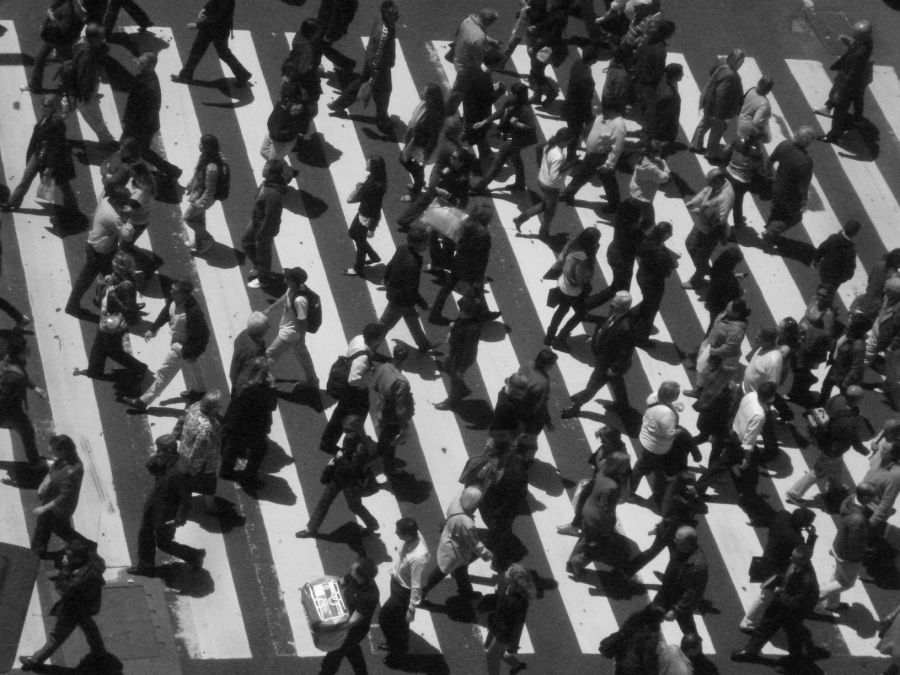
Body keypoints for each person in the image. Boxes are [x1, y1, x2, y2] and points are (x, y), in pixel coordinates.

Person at [732, 545, 830, 667]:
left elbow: (799, 601)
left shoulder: (807, 581)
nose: (790, 559)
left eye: (793, 558)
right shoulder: (798, 565)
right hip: (780, 604)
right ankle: (750, 652)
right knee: (765, 627)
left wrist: (780, 593)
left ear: (803, 561)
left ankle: (797, 661)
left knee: (794, 636)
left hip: (794, 611)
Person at [18, 540, 107, 671]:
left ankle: (35, 661)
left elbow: (64, 589)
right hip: (87, 605)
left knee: (56, 637)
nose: (66, 558)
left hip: (74, 608)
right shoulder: (92, 562)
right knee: (89, 626)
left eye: (69, 556)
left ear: (78, 558)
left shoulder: (83, 576)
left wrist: (65, 569)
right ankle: (100, 653)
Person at [123, 279, 210, 410]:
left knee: (163, 373)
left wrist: (190, 352)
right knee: (194, 366)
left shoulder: (193, 312)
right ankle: (200, 392)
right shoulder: (174, 300)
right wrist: (153, 328)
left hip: (183, 347)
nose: (170, 292)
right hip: (179, 341)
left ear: (184, 294)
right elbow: (166, 312)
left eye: (174, 291)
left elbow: (204, 335)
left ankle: (143, 402)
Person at [127, 434, 206, 576]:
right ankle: (145, 567)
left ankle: (194, 556)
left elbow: (185, 498)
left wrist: (180, 517)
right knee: (145, 536)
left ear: (169, 451)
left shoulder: (180, 471)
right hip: (154, 506)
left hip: (166, 513)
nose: (157, 453)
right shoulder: (166, 460)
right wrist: (153, 463)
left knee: (163, 542)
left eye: (160, 450)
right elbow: (155, 471)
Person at [3, 95, 82, 230]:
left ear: (53, 107)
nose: (42, 107)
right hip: (40, 153)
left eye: (45, 105)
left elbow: (57, 146)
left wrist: (50, 166)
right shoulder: (46, 118)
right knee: (27, 177)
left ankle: (73, 209)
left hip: (53, 159)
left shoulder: (56, 123)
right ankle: (13, 202)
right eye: (43, 105)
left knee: (63, 185)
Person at [786, 386, 870, 507]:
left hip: (825, 440)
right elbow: (853, 438)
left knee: (836, 467)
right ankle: (794, 493)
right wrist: (863, 450)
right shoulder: (849, 421)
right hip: (833, 448)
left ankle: (835, 487)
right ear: (858, 400)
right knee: (818, 471)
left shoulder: (837, 399)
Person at [298, 415, 380, 537]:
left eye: (347, 429)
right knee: (324, 502)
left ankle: (372, 524)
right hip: (338, 477)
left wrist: (340, 459)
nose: (345, 432)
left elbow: (354, 469)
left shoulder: (360, 447)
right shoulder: (351, 439)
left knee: (354, 506)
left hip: (350, 482)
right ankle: (311, 528)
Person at [328, 0, 400, 137]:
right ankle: (382, 119)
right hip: (379, 66)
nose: (397, 15)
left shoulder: (380, 18)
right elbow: (379, 55)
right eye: (393, 13)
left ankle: (338, 104)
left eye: (396, 11)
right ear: (386, 14)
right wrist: (376, 75)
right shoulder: (384, 33)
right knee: (384, 92)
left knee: (361, 81)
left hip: (370, 57)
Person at [739, 506, 816, 632]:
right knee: (765, 595)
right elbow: (804, 553)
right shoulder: (795, 539)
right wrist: (811, 537)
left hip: (766, 559)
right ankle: (747, 622)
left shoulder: (782, 515)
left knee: (769, 593)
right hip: (777, 570)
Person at [73, 251, 147, 380]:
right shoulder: (116, 278)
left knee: (112, 350)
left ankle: (139, 368)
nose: (112, 263)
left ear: (120, 267)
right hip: (107, 317)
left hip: (115, 321)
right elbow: (101, 298)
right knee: (99, 345)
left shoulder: (126, 286)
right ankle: (94, 371)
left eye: (115, 262)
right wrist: (102, 286)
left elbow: (128, 309)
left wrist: (114, 297)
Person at [561, 291, 636, 418]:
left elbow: (626, 351)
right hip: (604, 357)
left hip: (608, 363)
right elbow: (606, 325)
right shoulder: (616, 312)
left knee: (592, 385)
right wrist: (597, 338)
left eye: (615, 303)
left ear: (623, 307)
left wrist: (615, 368)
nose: (611, 303)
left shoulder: (626, 328)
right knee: (617, 383)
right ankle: (623, 407)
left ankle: (576, 406)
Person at [65, 184, 135, 317]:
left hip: (99, 249)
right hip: (100, 253)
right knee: (113, 279)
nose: (126, 204)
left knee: (102, 279)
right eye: (124, 202)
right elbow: (127, 236)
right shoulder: (112, 217)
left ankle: (81, 303)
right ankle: (74, 305)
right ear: (117, 201)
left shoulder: (105, 202)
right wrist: (130, 218)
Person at [623, 471, 708, 577]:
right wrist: (695, 495)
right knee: (656, 553)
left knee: (672, 558)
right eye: (690, 483)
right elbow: (703, 509)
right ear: (682, 484)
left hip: (673, 530)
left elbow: (704, 509)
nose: (692, 486)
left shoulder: (680, 494)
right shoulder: (679, 499)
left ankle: (668, 578)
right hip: (670, 531)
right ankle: (628, 570)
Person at [566, 452, 634, 577]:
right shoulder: (612, 487)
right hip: (597, 520)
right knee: (596, 546)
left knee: (585, 539)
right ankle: (576, 563)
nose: (627, 468)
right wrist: (610, 525)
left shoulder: (601, 473)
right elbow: (605, 510)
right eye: (625, 465)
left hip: (588, 511)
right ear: (618, 467)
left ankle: (572, 562)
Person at [420, 486, 493, 602]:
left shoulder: (457, 501)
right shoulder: (466, 523)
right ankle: (423, 591)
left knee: (460, 570)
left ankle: (466, 592)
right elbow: (473, 542)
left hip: (450, 539)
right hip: (456, 551)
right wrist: (486, 554)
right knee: (442, 570)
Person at [320, 323, 383, 454]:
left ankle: (328, 441)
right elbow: (353, 379)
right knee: (354, 417)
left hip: (350, 390)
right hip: (355, 392)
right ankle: (352, 444)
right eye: (380, 338)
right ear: (375, 340)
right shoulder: (363, 358)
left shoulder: (358, 339)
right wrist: (368, 376)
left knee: (340, 415)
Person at [377, 518, 430, 666]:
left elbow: (416, 585)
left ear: (408, 535)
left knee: (385, 617)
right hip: (398, 583)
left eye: (398, 532)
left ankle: (397, 651)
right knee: (399, 621)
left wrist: (411, 608)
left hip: (403, 592)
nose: (395, 533)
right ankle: (398, 644)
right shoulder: (413, 536)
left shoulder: (418, 557)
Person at [428, 204, 492, 325]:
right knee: (476, 288)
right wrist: (480, 275)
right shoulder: (484, 235)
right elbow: (483, 258)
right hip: (472, 266)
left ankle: (435, 314)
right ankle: (480, 313)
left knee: (447, 287)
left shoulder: (466, 224)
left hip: (459, 260)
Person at [121, 52, 181, 179]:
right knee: (128, 144)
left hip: (143, 125)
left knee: (142, 150)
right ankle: (124, 164)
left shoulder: (150, 86)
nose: (138, 64)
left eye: (142, 63)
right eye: (139, 61)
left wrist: (135, 127)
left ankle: (172, 171)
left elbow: (152, 110)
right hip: (136, 122)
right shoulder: (144, 76)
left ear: (151, 66)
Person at [818, 482, 876, 612]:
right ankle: (819, 593)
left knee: (838, 575)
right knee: (846, 583)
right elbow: (854, 544)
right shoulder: (858, 519)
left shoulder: (850, 498)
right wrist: (860, 556)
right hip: (847, 555)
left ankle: (832, 604)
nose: (874, 499)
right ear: (865, 498)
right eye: (872, 497)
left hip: (838, 544)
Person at [220, 357, 277, 488]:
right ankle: (248, 477)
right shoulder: (258, 391)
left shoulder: (241, 380)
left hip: (236, 421)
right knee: (260, 450)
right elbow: (272, 405)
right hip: (252, 426)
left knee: (233, 446)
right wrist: (272, 386)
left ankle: (226, 471)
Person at [316, 558, 380, 675]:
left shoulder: (369, 596)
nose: (351, 568)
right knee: (352, 650)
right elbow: (340, 583)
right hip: (346, 620)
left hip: (352, 631)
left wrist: (332, 630)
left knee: (334, 655)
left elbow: (352, 622)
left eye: (354, 569)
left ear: (361, 576)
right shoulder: (354, 576)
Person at [472, 82, 537, 194]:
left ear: (517, 94)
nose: (509, 93)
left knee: (499, 161)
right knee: (516, 159)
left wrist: (518, 124)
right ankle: (520, 184)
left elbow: (532, 127)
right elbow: (500, 112)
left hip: (519, 139)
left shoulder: (525, 109)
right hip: (512, 135)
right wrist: (484, 121)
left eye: (511, 92)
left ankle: (480, 187)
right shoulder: (511, 101)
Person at [378, 227, 436, 353]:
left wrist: (386, 280)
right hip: (401, 300)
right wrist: (424, 305)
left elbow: (390, 265)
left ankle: (424, 344)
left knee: (412, 320)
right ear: (418, 244)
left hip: (399, 295)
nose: (427, 244)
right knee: (383, 325)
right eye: (425, 242)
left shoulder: (402, 248)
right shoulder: (413, 263)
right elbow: (412, 289)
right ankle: (369, 348)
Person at [30, 434, 89, 557]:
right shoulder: (63, 460)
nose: (52, 452)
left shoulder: (72, 471)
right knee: (43, 525)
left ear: (63, 451)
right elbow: (53, 471)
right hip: (51, 499)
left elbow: (65, 496)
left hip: (59, 508)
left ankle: (86, 546)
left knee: (60, 529)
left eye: (54, 451)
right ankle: (37, 551)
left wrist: (44, 508)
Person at [511, 127, 575, 240]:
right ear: (565, 141)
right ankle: (543, 234)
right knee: (550, 214)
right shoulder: (559, 156)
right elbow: (555, 177)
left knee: (544, 205)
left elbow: (539, 152)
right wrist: (569, 168)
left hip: (542, 180)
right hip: (551, 187)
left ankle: (521, 218)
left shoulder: (549, 144)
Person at [559, 106, 626, 213]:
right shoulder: (602, 117)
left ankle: (614, 205)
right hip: (591, 155)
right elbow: (592, 127)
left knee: (608, 182)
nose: (603, 110)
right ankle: (568, 194)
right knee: (581, 174)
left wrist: (609, 164)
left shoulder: (618, 125)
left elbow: (617, 147)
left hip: (603, 157)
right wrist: (584, 134)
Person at [816, 19, 874, 143]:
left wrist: (841, 92)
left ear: (861, 36)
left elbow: (851, 76)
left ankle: (833, 136)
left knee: (839, 110)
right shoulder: (866, 42)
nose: (853, 36)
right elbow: (856, 44)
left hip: (848, 84)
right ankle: (829, 108)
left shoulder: (860, 53)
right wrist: (848, 41)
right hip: (847, 78)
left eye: (855, 35)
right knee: (836, 95)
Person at [60, 23, 117, 146]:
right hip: (82, 93)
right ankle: (106, 141)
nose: (103, 40)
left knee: (66, 111)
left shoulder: (82, 41)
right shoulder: (86, 55)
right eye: (101, 38)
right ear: (93, 38)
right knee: (94, 117)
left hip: (73, 89)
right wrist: (86, 96)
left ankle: (49, 129)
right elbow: (83, 77)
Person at [264, 267, 320, 392]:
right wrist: (270, 309)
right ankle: (313, 382)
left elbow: (302, 321)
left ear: (294, 282)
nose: (285, 280)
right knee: (302, 356)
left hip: (290, 333)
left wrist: (301, 339)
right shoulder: (293, 288)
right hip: (291, 331)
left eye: (287, 278)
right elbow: (285, 297)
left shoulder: (300, 300)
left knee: (270, 355)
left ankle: (257, 379)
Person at [544, 228, 600, 350]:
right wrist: (594, 255)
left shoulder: (572, 244)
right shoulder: (584, 259)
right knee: (580, 314)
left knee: (561, 310)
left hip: (562, 283)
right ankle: (561, 338)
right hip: (574, 291)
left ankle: (549, 336)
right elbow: (582, 279)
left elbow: (560, 260)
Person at [171, 0, 251, 86]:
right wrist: (205, 8)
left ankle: (242, 74)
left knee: (223, 53)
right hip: (210, 26)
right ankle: (185, 75)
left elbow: (220, 18)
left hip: (219, 29)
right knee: (197, 50)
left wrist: (198, 25)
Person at [0, 335, 48, 471]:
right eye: (26, 348)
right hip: (11, 412)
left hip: (7, 409)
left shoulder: (9, 359)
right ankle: (35, 463)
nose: (29, 349)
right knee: (27, 432)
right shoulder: (16, 377)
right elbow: (4, 400)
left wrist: (35, 387)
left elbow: (20, 376)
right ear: (20, 353)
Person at [682, 168, 735, 290]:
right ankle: (706, 270)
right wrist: (694, 202)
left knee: (702, 255)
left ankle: (698, 280)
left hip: (711, 229)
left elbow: (721, 219)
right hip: (702, 223)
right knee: (690, 245)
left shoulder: (726, 196)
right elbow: (706, 192)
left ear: (718, 180)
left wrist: (699, 212)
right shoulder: (717, 185)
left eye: (711, 182)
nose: (709, 185)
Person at [763, 126, 815, 247]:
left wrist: (769, 171)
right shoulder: (806, 161)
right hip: (791, 196)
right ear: (808, 143)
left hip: (777, 187)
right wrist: (804, 201)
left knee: (777, 208)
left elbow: (771, 160)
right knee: (794, 217)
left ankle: (770, 225)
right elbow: (803, 185)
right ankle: (770, 233)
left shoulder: (784, 145)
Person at [630, 381, 682, 502]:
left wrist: (674, 406)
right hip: (656, 446)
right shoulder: (666, 415)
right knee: (641, 468)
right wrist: (680, 431)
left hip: (647, 438)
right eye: (677, 393)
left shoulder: (654, 397)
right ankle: (630, 492)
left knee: (647, 466)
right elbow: (670, 434)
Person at [689, 48, 745, 158]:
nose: (742, 64)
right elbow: (722, 96)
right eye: (741, 61)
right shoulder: (730, 76)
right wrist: (720, 116)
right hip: (719, 111)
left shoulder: (722, 64)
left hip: (710, 103)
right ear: (735, 61)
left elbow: (712, 73)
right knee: (716, 132)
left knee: (704, 125)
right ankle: (711, 153)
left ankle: (695, 145)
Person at [242, 158, 288, 288]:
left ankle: (264, 278)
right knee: (246, 242)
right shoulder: (267, 183)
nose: (262, 169)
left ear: (271, 172)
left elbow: (271, 216)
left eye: (265, 168)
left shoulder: (273, 193)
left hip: (264, 227)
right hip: (257, 221)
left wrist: (262, 233)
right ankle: (261, 269)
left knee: (263, 253)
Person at [654, 526, 708, 635]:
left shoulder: (698, 567)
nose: (674, 541)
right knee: (651, 618)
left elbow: (692, 593)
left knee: (688, 631)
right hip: (666, 591)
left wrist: (676, 611)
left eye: (678, 540)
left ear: (688, 544)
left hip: (679, 599)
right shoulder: (680, 548)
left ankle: (694, 649)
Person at [434, 290, 484, 410]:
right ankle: (462, 389)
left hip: (461, 356)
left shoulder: (473, 328)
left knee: (455, 376)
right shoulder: (466, 317)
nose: (460, 313)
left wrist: (461, 370)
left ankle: (452, 400)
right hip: (455, 352)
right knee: (447, 367)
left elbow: (468, 350)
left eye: (463, 311)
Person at [690, 298, 750, 395]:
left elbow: (730, 347)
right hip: (711, 346)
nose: (725, 310)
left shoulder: (737, 330)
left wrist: (715, 351)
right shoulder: (728, 315)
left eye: (728, 309)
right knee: (702, 368)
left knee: (704, 370)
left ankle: (701, 391)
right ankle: (701, 388)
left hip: (717, 354)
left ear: (736, 313)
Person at [370, 342, 414, 474]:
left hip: (381, 407)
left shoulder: (384, 367)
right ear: (405, 360)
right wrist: (405, 424)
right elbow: (400, 408)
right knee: (391, 440)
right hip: (392, 416)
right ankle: (389, 465)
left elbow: (374, 385)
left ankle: (380, 450)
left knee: (384, 434)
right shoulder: (402, 383)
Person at [448, 8, 502, 113]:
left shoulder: (467, 21)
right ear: (488, 21)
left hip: (459, 55)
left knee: (460, 88)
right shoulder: (479, 38)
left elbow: (464, 34)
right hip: (466, 66)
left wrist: (490, 41)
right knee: (459, 90)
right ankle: (449, 112)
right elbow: (480, 58)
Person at [178, 391, 224, 514]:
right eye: (219, 406)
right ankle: (210, 508)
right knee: (209, 485)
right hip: (203, 464)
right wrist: (193, 470)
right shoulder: (206, 430)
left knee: (184, 480)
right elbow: (199, 453)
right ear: (214, 409)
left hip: (184, 450)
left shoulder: (195, 407)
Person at [484, 563, 533, 675]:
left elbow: (513, 623)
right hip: (497, 628)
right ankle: (516, 665)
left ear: (513, 581)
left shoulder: (516, 601)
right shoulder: (510, 590)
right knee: (495, 650)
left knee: (491, 657)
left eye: (507, 574)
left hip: (502, 633)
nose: (504, 574)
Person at [27, 0, 85, 94]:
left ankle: (74, 86)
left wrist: (52, 18)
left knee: (66, 63)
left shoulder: (68, 10)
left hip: (60, 39)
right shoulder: (64, 4)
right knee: (40, 57)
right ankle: (34, 86)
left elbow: (64, 28)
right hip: (52, 37)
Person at [181, 134, 226, 256]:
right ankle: (198, 241)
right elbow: (198, 173)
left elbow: (210, 189)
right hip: (198, 193)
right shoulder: (205, 157)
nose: (198, 145)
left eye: (201, 144)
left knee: (188, 218)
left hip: (202, 198)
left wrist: (201, 203)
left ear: (207, 147)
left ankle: (207, 239)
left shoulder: (212, 167)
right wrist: (191, 183)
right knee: (198, 219)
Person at [343, 156, 387, 278]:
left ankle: (359, 267)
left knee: (359, 239)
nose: (366, 164)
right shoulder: (377, 178)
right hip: (364, 212)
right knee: (354, 235)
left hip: (367, 216)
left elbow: (376, 207)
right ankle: (372, 256)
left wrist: (371, 227)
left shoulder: (375, 185)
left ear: (373, 167)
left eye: (368, 163)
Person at [633, 221, 676, 346]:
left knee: (647, 303)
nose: (671, 236)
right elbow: (667, 271)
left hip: (642, 275)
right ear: (665, 235)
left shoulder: (647, 242)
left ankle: (630, 317)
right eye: (670, 234)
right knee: (650, 311)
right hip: (654, 283)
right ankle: (641, 339)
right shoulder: (660, 253)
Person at [399, 84, 445, 200]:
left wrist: (426, 154)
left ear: (431, 97)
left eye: (425, 92)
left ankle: (417, 189)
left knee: (409, 162)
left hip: (421, 146)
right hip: (415, 141)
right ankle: (418, 183)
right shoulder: (426, 105)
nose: (422, 93)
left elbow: (433, 136)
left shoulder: (434, 115)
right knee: (409, 162)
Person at [818, 310, 871, 404]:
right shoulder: (847, 332)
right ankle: (821, 404)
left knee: (845, 397)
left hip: (844, 374)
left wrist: (846, 382)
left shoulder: (858, 346)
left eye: (851, 320)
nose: (848, 320)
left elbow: (856, 367)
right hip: (836, 366)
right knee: (826, 386)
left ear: (856, 328)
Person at [862, 420, 900, 545]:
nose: (881, 448)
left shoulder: (894, 476)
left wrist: (874, 521)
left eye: (884, 449)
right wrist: (875, 443)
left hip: (874, 508)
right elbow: (882, 435)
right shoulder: (880, 455)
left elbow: (886, 502)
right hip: (864, 499)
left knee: (868, 534)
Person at [724, 130, 768, 229]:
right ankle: (738, 222)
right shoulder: (756, 154)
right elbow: (761, 171)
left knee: (723, 194)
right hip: (741, 181)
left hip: (728, 173)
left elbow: (726, 149)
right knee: (737, 203)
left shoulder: (737, 142)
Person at [562, 47, 598, 160]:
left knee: (573, 131)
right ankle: (570, 156)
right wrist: (588, 115)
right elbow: (585, 99)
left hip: (570, 105)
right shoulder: (587, 77)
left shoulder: (577, 63)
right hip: (577, 110)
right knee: (575, 133)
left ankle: (572, 150)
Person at [812, 219, 861, 294]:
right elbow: (849, 270)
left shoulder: (833, 238)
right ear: (855, 234)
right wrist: (842, 279)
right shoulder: (850, 251)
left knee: (822, 288)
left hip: (824, 271)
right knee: (829, 295)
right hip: (835, 279)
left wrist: (816, 260)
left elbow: (822, 249)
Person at [313, 0, 359, 77]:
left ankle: (346, 64)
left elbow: (337, 14)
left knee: (319, 44)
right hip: (328, 24)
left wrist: (330, 33)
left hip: (327, 25)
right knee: (321, 45)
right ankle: (346, 64)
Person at [644, 62, 684, 151]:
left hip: (655, 119)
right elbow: (665, 116)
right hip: (663, 125)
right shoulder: (669, 95)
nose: (683, 75)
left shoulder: (665, 81)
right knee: (660, 144)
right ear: (675, 76)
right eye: (681, 73)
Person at [230, 311, 268, 390]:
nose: (268, 327)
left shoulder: (243, 334)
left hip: (237, 378)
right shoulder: (253, 351)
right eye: (266, 326)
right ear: (259, 332)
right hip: (246, 386)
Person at [737, 76, 774, 141]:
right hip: (747, 127)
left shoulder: (751, 89)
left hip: (740, 120)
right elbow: (755, 122)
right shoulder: (764, 104)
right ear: (768, 91)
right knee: (767, 138)